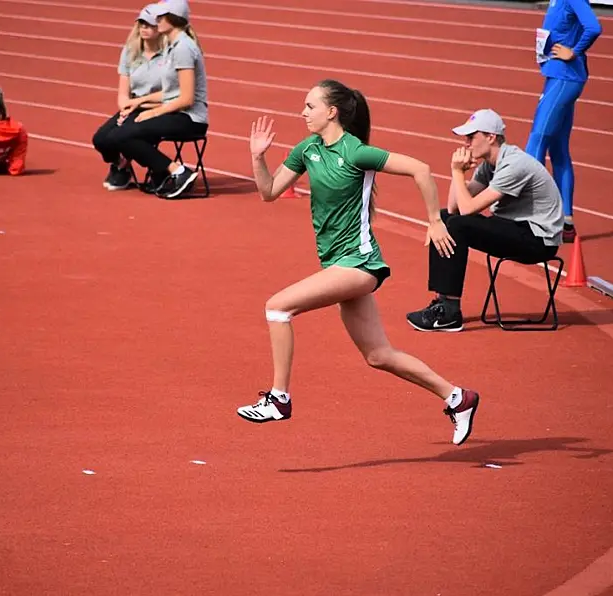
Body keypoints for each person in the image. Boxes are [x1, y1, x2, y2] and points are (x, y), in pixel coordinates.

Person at [235, 79, 480, 447]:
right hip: (339, 264)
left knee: (277, 308)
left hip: (360, 264)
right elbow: (269, 192)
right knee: (378, 356)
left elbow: (422, 169)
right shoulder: (307, 150)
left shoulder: (356, 152)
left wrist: (434, 220)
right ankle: (458, 397)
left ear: (332, 112)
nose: (303, 112)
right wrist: (257, 157)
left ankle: (278, 399)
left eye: (310, 106)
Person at [406, 109, 564, 332]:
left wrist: (457, 173)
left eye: (471, 137)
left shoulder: (514, 165)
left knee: (457, 226)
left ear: (491, 137)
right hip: (515, 229)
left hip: (538, 240)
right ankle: (444, 302)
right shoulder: (488, 166)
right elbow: (453, 208)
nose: (466, 143)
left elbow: (468, 209)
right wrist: (457, 173)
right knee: (443, 218)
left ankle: (450, 311)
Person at [91, 0, 208, 199]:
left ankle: (178, 172)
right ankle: (160, 171)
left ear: (173, 19)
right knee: (113, 135)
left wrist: (152, 112)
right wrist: (138, 104)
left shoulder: (182, 48)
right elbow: (171, 92)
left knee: (123, 135)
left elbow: (186, 99)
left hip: (188, 118)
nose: (157, 21)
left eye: (160, 17)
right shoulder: (175, 46)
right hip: (173, 111)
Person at [526, 0, 602, 242]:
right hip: (557, 76)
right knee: (558, 149)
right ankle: (566, 222)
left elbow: (593, 27)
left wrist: (574, 51)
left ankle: (533, 215)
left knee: (537, 141)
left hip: (565, 77)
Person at [92, 3, 166, 192]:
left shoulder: (170, 54)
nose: (144, 28)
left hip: (159, 107)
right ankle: (121, 163)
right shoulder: (130, 51)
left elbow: (173, 93)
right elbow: (123, 93)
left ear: (161, 28)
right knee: (101, 139)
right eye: (141, 23)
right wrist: (125, 110)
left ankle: (161, 170)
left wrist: (139, 105)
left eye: (149, 25)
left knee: (124, 135)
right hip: (133, 105)